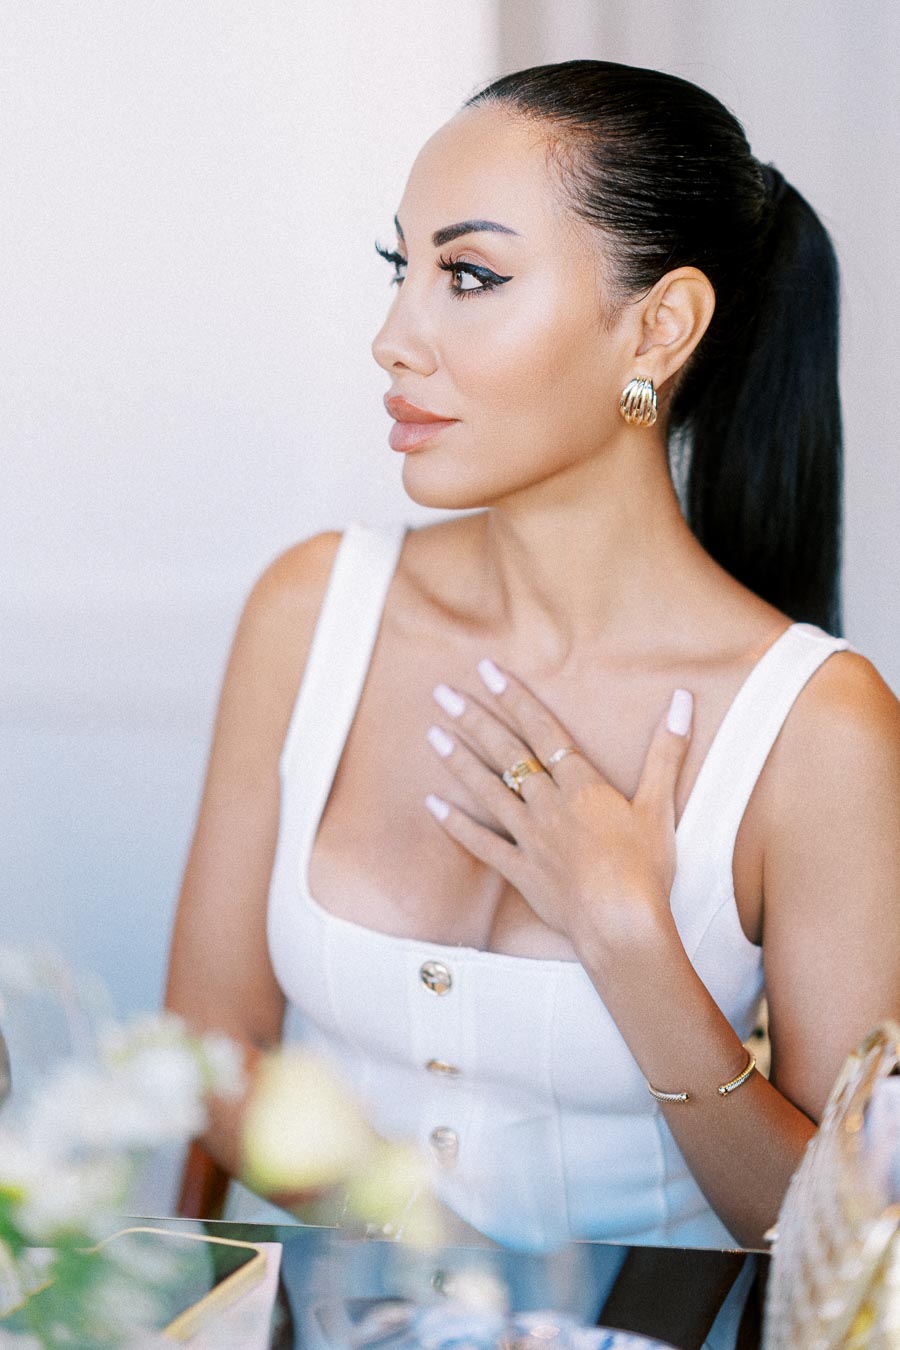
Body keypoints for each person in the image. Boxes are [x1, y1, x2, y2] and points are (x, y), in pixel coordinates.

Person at [164, 54, 900, 1329]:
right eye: (404, 270)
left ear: (658, 328)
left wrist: (630, 941)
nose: (395, 338)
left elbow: (851, 1256)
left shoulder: (818, 729)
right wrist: (416, 1235)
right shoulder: (311, 609)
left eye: (471, 276)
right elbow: (213, 1050)